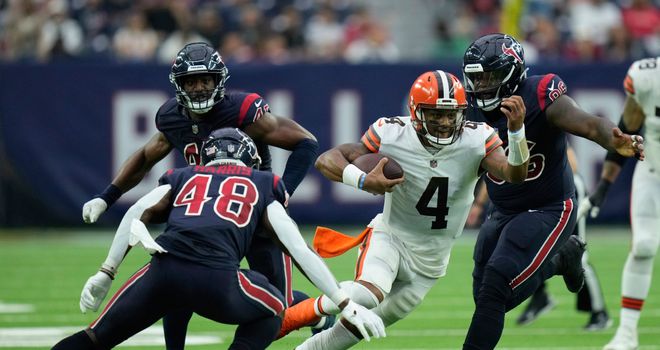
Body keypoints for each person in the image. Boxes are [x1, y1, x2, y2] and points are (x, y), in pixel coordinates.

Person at [80, 42, 325, 347]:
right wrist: (107, 196)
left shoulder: (243, 110)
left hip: (253, 214)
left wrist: (282, 193)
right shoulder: (172, 116)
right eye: (191, 81)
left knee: (280, 306)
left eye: (205, 80)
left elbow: (306, 143)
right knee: (178, 279)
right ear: (178, 85)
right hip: (202, 212)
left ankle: (319, 313)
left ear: (218, 81)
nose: (198, 88)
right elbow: (145, 157)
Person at [52, 128, 386, 350]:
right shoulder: (262, 182)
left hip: (162, 269)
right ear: (250, 159)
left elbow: (135, 213)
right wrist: (344, 303)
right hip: (216, 276)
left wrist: (106, 272)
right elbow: (298, 248)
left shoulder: (182, 175)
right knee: (274, 307)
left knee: (94, 338)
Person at [292, 69, 530, 350]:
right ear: (417, 113)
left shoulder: (477, 140)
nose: (444, 122)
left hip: (431, 263)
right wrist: (363, 179)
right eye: (435, 114)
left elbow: (515, 174)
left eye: (450, 114)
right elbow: (326, 160)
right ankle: (290, 317)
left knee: (358, 329)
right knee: (368, 295)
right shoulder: (392, 134)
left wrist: (516, 133)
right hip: (391, 237)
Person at [461, 33, 644, 350]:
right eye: (476, 78)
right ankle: (561, 259)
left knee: (495, 284)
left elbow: (587, 123)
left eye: (489, 77)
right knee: (488, 300)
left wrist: (614, 140)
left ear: (512, 73)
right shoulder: (470, 109)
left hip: (548, 206)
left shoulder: (540, 94)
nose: (482, 86)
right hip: (503, 208)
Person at [469, 148, 612, 330]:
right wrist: (480, 203)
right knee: (524, 248)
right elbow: (495, 172)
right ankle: (540, 297)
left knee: (576, 249)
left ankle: (599, 312)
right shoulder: (497, 131)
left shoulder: (536, 123)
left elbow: (568, 157)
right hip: (529, 191)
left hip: (560, 192)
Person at [578, 57, 660, 350]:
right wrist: (603, 187)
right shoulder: (646, 77)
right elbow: (628, 127)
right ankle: (627, 333)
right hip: (653, 172)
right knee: (644, 246)